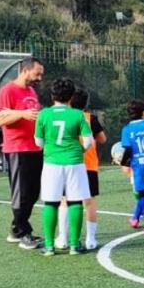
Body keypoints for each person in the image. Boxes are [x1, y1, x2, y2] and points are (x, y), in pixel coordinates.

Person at [34, 78, 93, 256]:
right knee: (75, 201)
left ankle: (50, 246)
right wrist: (79, 150)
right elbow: (89, 141)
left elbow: (38, 142)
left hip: (52, 163)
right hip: (75, 162)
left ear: (52, 95)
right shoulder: (77, 114)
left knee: (51, 202)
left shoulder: (44, 114)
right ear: (71, 96)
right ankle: (74, 245)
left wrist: (52, 149)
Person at [0, 57, 45, 249]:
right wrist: (21, 114)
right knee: (21, 193)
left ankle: (17, 230)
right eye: (37, 73)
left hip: (35, 147)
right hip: (17, 149)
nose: (39, 77)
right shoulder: (7, 90)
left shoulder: (31, 91)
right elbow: (0, 118)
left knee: (33, 192)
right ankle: (23, 232)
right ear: (25, 70)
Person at [55, 88, 105, 250]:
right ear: (86, 103)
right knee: (89, 202)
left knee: (65, 201)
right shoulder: (90, 118)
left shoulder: (65, 117)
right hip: (88, 165)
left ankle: (63, 238)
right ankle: (91, 239)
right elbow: (102, 138)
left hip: (67, 163)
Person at [120, 99, 144, 232]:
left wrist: (123, 163)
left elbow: (128, 150)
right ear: (143, 112)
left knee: (142, 193)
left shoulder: (127, 129)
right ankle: (135, 218)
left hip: (138, 165)